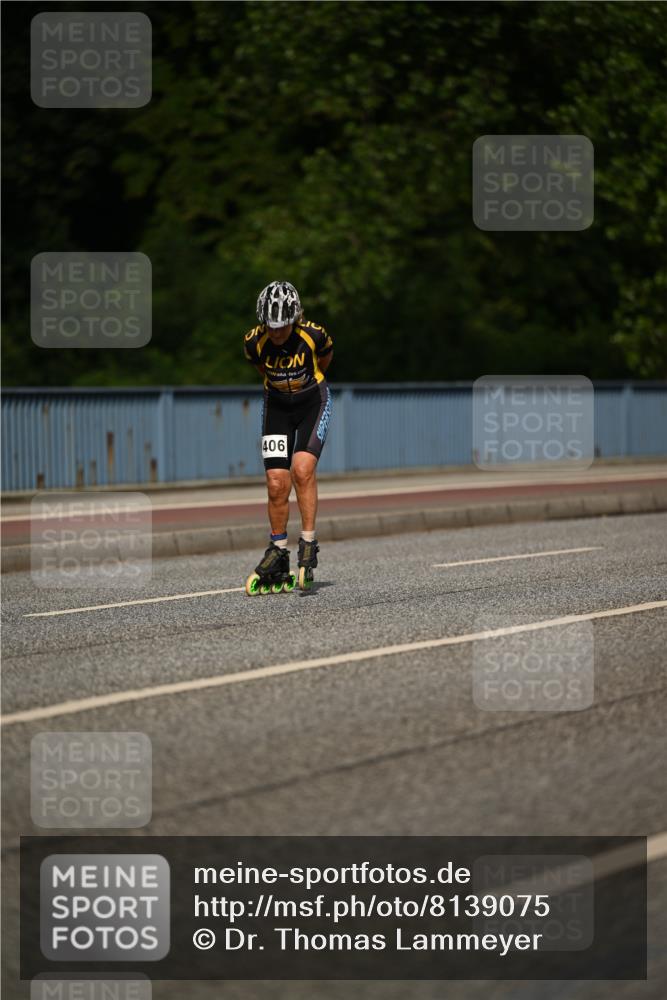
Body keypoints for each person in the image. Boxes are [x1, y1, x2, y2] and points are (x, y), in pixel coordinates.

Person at [243, 281, 333, 593]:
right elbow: (261, 371)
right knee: (276, 482)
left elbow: (325, 360)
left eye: (282, 327)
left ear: (294, 319)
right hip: (278, 407)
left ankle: (308, 541)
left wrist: (303, 385)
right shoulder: (253, 342)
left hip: (312, 402)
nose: (277, 333)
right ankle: (278, 549)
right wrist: (283, 388)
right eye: (271, 327)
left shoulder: (314, 334)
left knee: (302, 470)